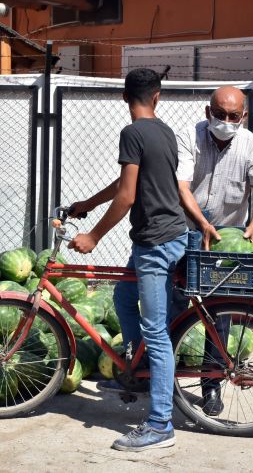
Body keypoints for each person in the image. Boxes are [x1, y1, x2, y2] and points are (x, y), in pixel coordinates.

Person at [67, 68, 187, 452]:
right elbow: (125, 184)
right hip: (165, 237)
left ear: (124, 97)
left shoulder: (132, 133)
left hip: (155, 243)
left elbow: (128, 196)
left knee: (156, 332)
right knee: (122, 298)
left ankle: (160, 424)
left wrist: (93, 236)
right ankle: (136, 373)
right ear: (157, 97)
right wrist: (87, 203)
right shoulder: (164, 132)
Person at [175, 85, 253, 415]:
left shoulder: (251, 145)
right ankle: (164, 375)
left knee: (218, 313)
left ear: (243, 117)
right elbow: (181, 187)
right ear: (208, 113)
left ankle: (212, 385)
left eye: (233, 116)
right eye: (220, 115)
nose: (226, 121)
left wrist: (252, 226)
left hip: (226, 240)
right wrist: (201, 223)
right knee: (174, 303)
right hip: (187, 230)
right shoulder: (190, 137)